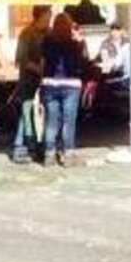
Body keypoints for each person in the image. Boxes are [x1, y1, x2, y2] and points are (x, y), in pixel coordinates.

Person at [38, 12, 88, 167]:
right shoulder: (75, 44)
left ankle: (49, 155)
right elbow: (84, 62)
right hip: (70, 84)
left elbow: (42, 63)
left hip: (50, 83)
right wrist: (81, 42)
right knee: (68, 120)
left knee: (51, 120)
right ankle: (68, 155)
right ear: (69, 27)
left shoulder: (46, 41)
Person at [9, 6, 52, 164]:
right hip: (28, 78)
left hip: (46, 79)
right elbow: (22, 59)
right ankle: (20, 147)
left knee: (46, 111)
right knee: (26, 111)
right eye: (48, 16)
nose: (49, 19)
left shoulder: (49, 33)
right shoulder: (26, 34)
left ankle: (40, 145)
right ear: (39, 17)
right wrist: (39, 69)